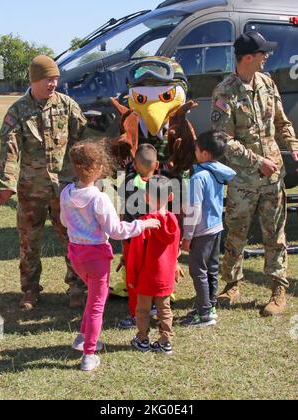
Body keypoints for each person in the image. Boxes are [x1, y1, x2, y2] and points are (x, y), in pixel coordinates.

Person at [211, 32, 298, 316]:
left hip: (273, 177)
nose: (267, 57)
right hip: (243, 179)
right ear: (248, 57)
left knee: (275, 234)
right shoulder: (225, 92)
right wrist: (256, 160)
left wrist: (293, 145)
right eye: (263, 53)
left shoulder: (267, 82)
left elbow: (281, 122)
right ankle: (231, 285)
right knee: (236, 233)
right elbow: (224, 139)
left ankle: (277, 289)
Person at [60, 140, 160, 371]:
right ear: (98, 167)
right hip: (96, 256)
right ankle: (89, 354)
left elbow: (65, 221)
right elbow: (116, 231)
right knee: (97, 304)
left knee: (93, 298)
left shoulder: (66, 192)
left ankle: (82, 338)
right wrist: (143, 225)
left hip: (76, 255)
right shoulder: (98, 198)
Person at [0, 55, 88, 310]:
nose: (54, 84)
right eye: (49, 79)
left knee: (72, 239)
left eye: (56, 79)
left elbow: (82, 140)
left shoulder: (67, 105)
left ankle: (77, 287)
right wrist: (6, 184)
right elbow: (9, 149)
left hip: (64, 190)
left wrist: (87, 177)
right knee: (29, 243)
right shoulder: (18, 111)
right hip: (31, 190)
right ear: (36, 80)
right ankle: (29, 290)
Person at [181, 132, 236, 327]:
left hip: (201, 231)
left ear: (204, 153)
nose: (194, 153)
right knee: (211, 268)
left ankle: (204, 314)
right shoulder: (217, 172)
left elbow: (194, 209)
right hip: (216, 228)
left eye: (196, 150)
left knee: (198, 271)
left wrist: (187, 236)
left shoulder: (199, 176)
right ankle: (209, 305)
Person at [127, 176, 180, 356]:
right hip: (165, 277)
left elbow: (135, 255)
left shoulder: (145, 224)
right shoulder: (174, 221)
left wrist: (132, 277)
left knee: (142, 310)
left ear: (146, 197)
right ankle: (165, 341)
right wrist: (175, 266)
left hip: (146, 276)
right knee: (165, 309)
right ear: (171, 196)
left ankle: (142, 339)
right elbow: (175, 249)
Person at [117, 144, 159, 329]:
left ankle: (136, 314)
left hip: (133, 238)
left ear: (134, 163)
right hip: (154, 239)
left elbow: (121, 210)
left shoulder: (127, 183)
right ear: (156, 165)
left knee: (133, 276)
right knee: (152, 272)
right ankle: (154, 307)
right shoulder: (161, 185)